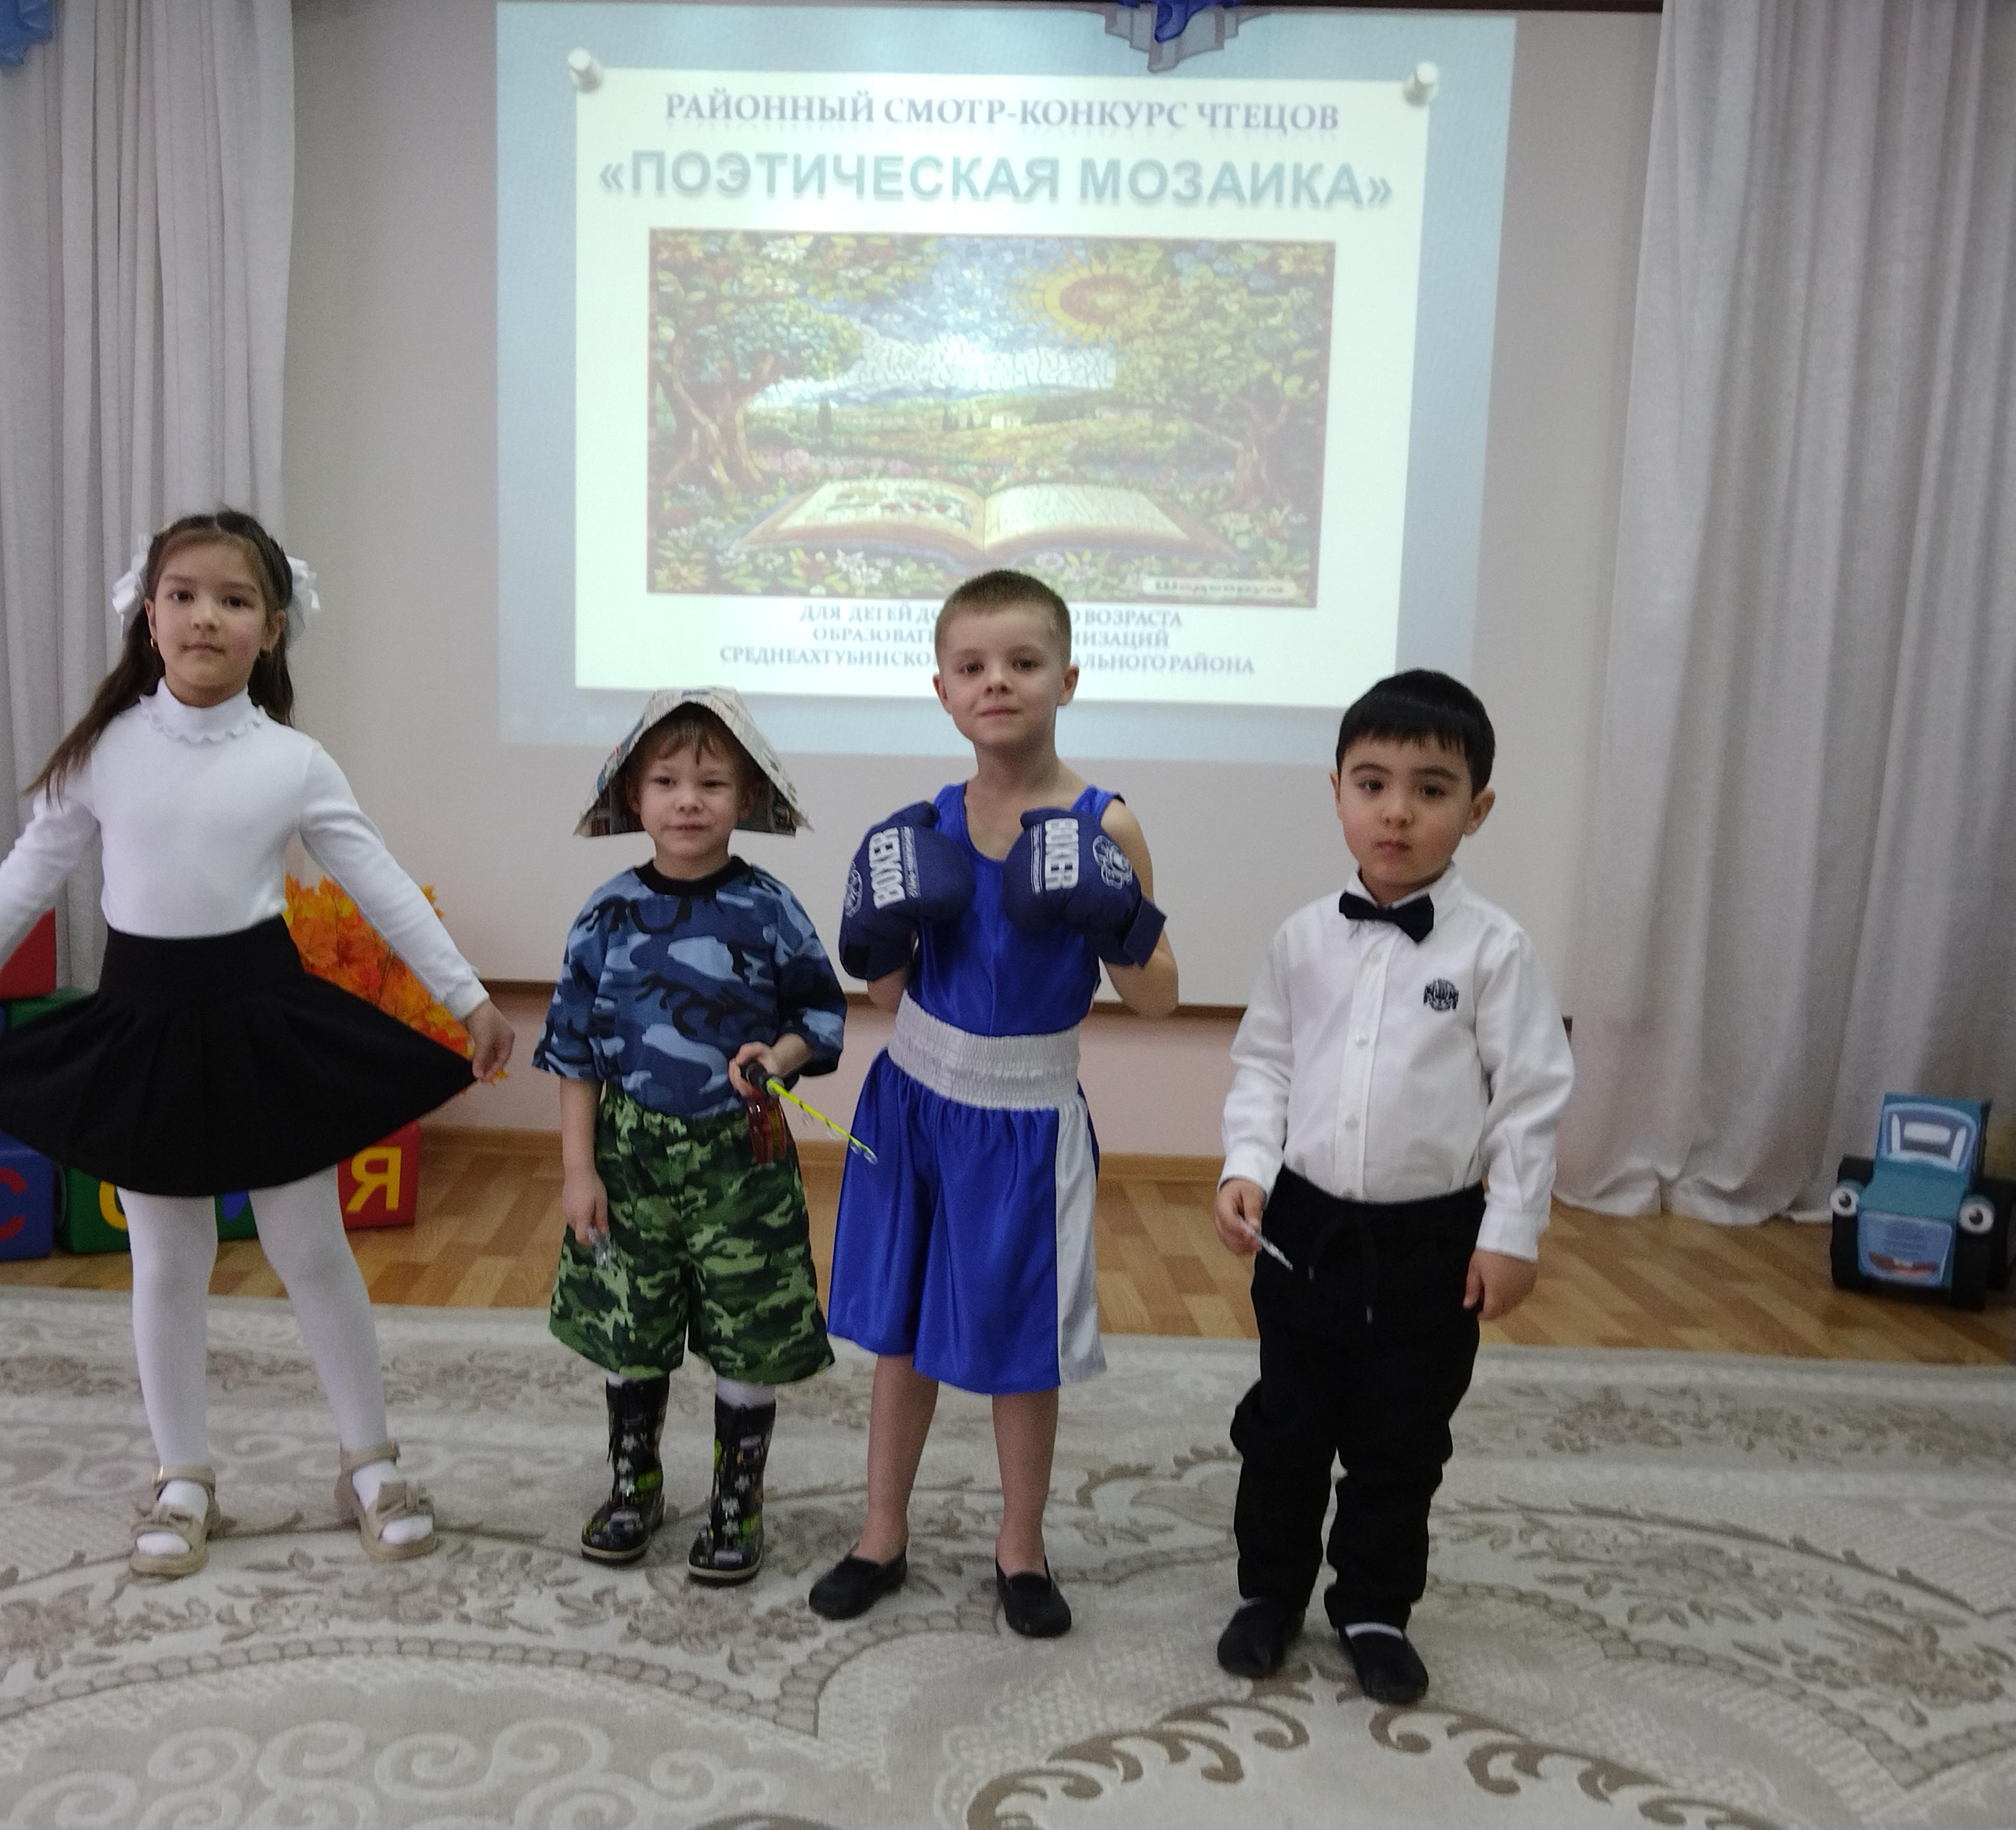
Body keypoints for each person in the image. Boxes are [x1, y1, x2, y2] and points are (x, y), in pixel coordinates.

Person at [0, 509, 516, 1579]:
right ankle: (183, 1476)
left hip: (263, 1023)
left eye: (234, 601)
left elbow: (376, 881)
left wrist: (469, 1000)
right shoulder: (104, 753)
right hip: (143, 1025)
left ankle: (369, 1461)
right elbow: (29, 873)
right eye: (183, 596)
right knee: (169, 1256)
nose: (205, 618)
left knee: (309, 1246)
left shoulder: (294, 761)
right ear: (149, 615)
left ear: (271, 629)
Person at [811, 570, 1179, 1639]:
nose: (998, 683)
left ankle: (1022, 1548)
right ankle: (881, 1533)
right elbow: (888, 994)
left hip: (1027, 1118)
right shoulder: (925, 824)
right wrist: (878, 929)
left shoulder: (1108, 821)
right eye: (972, 667)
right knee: (900, 1333)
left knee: (1023, 1346)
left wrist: (1113, 911)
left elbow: (1158, 998)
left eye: (1023, 662)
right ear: (943, 691)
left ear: (1068, 678)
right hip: (914, 1101)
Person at [1211, 669, 1573, 1704]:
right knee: (1286, 1427)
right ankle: (1270, 1591)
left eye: (1431, 789)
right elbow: (1265, 1066)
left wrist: (1512, 1231)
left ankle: (1374, 1604)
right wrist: (1247, 1168)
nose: (1398, 811)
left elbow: (1530, 1099)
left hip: (1433, 1243)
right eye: (1372, 785)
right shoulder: (1301, 939)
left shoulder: (1497, 951)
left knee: (1401, 1437)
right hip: (1306, 1231)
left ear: (1478, 809)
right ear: (1337, 793)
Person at [536, 687, 845, 1586]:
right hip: (628, 1161)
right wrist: (578, 1170)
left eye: (711, 784)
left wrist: (778, 1057)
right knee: (630, 1328)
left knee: (752, 1331)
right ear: (633, 797)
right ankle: (634, 1485)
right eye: (666, 782)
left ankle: (736, 1501)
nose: (688, 801)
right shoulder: (607, 915)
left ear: (747, 798)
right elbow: (574, 1053)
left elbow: (819, 1017)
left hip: (741, 1163)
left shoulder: (769, 909)